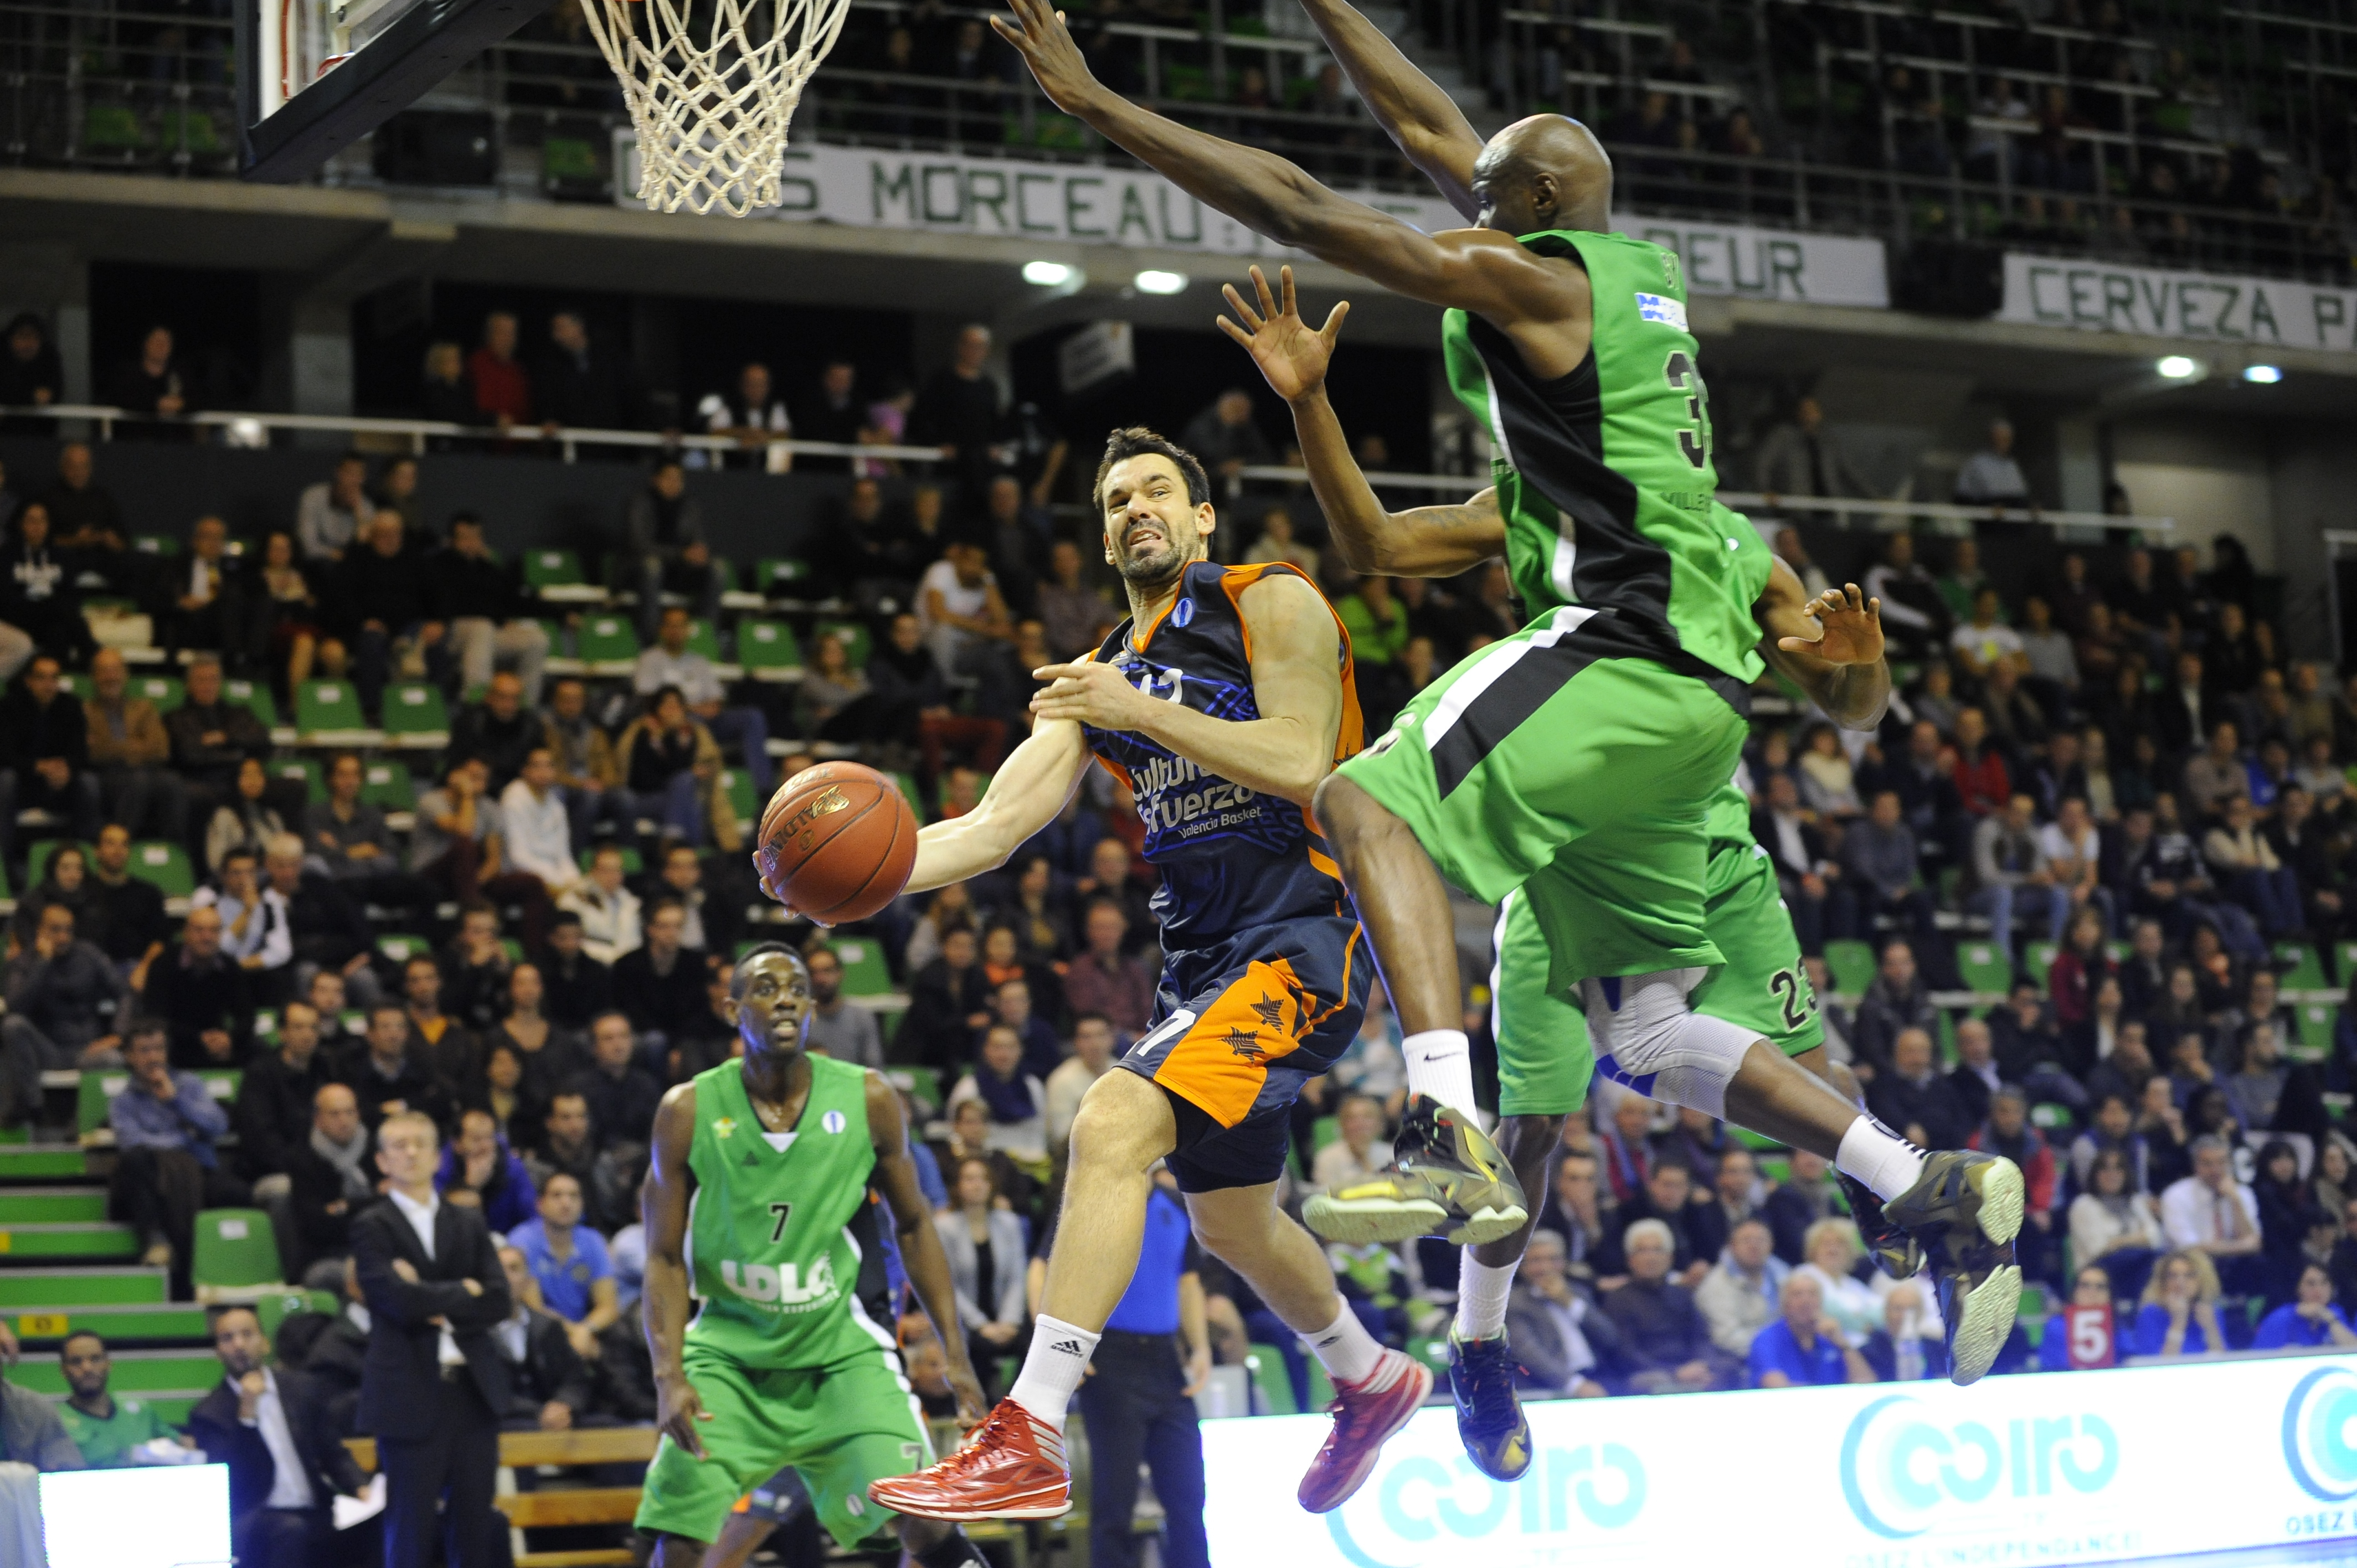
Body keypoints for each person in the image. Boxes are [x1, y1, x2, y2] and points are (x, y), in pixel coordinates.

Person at [850, 429, 1424, 1521]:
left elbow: (1303, 759)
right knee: (1233, 1223)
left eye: (1156, 491)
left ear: (1202, 518)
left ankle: (1027, 1433)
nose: (1133, 509)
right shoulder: (1096, 675)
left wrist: (1139, 710)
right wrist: (855, 879)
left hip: (1302, 938)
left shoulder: (1270, 597)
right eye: (1114, 500)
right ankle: (1369, 1373)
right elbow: (989, 825)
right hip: (1201, 965)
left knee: (1112, 1123)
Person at [632, 946, 996, 1568]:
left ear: (811, 1006)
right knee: (684, 1541)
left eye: (796, 989)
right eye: (765, 987)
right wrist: (669, 1376)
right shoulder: (686, 1111)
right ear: (732, 1008)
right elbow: (663, 1258)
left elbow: (913, 1225)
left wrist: (955, 1356)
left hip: (837, 1353)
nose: (783, 998)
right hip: (729, 1356)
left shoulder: (869, 1099)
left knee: (927, 1518)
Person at [353, 1108, 514, 1568]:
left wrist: (426, 1293)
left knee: (475, 1529)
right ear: (382, 1161)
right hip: (409, 1393)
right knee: (410, 1529)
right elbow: (394, 1301)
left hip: (472, 1392)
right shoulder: (372, 1224)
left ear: (438, 1155)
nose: (410, 1152)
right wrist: (463, 1290)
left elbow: (500, 1300)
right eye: (399, 1145)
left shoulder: (467, 1221)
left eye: (420, 1143)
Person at [1064, 1163, 1210, 1568]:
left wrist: (1200, 1348)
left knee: (1188, 1498)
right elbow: (1048, 1268)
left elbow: (1188, 1281)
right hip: (1112, 1358)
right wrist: (1066, 1344)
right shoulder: (1091, 1205)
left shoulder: (1177, 1206)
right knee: (1116, 1501)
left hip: (1166, 1361)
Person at [187, 1303, 368, 1568]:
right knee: (291, 1531)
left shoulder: (301, 1390)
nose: (239, 1345)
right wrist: (246, 1415)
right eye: (227, 1339)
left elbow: (333, 1451)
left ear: (265, 1343)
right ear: (217, 1353)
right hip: (257, 1515)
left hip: (315, 1508)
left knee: (377, 1523)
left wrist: (361, 1488)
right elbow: (234, 1484)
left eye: (247, 1334)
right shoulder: (208, 1414)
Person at [107, 1019, 249, 1291]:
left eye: (158, 1049)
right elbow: (131, 1142)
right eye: (145, 1051)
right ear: (130, 1057)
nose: (153, 1058)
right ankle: (158, 1243)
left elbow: (218, 1125)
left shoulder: (189, 1085)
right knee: (137, 1163)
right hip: (152, 1176)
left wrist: (176, 1101)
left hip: (198, 1171)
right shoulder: (123, 1102)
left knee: (237, 1193)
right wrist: (185, 1140)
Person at [636, 603, 771, 794]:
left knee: (752, 717)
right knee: (693, 721)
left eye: (681, 626)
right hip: (674, 723)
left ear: (688, 630)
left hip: (709, 719)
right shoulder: (650, 659)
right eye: (671, 625)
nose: (676, 631)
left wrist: (702, 708)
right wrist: (690, 710)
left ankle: (762, 789)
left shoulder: (699, 662)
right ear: (662, 629)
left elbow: (716, 701)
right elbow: (649, 700)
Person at [0, 653, 101, 875]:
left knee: (89, 783)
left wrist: (66, 768)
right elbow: (5, 754)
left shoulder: (71, 705)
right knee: (5, 781)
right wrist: (39, 767)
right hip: (24, 784)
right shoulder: (10, 706)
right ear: (28, 681)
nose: (49, 684)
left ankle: (84, 865)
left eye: (54, 678)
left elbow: (81, 753)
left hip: (60, 784)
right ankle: (5, 866)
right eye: (42, 678)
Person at [509, 1171, 618, 1360]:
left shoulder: (593, 1241)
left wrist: (585, 1330)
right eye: (557, 1195)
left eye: (573, 1196)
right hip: (539, 1336)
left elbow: (609, 1306)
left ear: (582, 1205)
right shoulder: (522, 1241)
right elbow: (534, 1309)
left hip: (586, 1331)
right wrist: (575, 1333)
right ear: (540, 1204)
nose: (566, 1203)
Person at [84, 645, 184, 843]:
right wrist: (137, 745)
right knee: (138, 781)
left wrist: (115, 746)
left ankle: (173, 850)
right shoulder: (85, 711)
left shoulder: (144, 707)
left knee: (172, 781)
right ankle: (119, 846)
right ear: (94, 677)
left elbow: (161, 749)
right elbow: (92, 751)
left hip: (147, 771)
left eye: (115, 670)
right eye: (104, 671)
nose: (110, 677)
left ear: (125, 674)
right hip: (106, 774)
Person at [936, 1157, 1028, 1370]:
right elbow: (947, 1285)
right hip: (963, 1322)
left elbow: (1017, 1277)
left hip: (1005, 1319)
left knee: (1031, 1343)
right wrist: (981, 1325)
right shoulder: (944, 1227)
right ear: (958, 1186)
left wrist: (1009, 1321)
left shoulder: (1009, 1223)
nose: (977, 1185)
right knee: (976, 1350)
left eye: (983, 1179)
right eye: (969, 1179)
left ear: (991, 1185)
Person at [1503, 1229, 1612, 1397]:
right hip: (1553, 1386)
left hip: (1599, 1375)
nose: (1546, 1268)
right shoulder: (1514, 1303)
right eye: (1536, 1260)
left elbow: (1610, 1338)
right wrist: (1574, 1385)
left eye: (1553, 1259)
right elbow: (1528, 1352)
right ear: (1522, 1267)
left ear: (1565, 1263)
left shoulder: (1578, 1293)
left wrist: (1568, 1302)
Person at [2159, 1133, 2265, 1298]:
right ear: (2196, 1166)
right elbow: (2190, 1248)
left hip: (2232, 1265)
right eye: (2208, 1164)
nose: (2216, 1170)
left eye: (2222, 1162)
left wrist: (2235, 1202)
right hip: (2191, 1266)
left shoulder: (2243, 1194)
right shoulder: (2176, 1195)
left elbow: (2254, 1243)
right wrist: (2241, 1247)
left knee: (2260, 1264)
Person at [285, 1084, 373, 1277]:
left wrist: (347, 1206)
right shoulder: (302, 1158)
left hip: (377, 1249)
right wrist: (369, 1208)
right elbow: (315, 1226)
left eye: (350, 1112)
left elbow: (391, 1204)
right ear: (318, 1120)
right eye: (335, 1114)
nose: (344, 1121)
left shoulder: (376, 1151)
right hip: (326, 1255)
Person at [54, 1332, 173, 1468]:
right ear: (63, 1371)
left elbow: (180, 1446)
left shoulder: (140, 1410)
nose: (87, 1368)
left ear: (109, 1364)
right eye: (76, 1362)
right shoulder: (56, 1423)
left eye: (95, 1359)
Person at [1747, 1270, 1872, 1387]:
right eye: (1797, 1294)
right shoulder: (1767, 1339)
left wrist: (1844, 1345)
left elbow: (1866, 1385)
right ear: (1785, 1304)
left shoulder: (1831, 1336)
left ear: (1821, 1303)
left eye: (1813, 1294)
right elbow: (1777, 1388)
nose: (1806, 1301)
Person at [1695, 1215, 1788, 1359]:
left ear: (1771, 1245)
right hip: (1740, 1362)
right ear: (1732, 1246)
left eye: (1761, 1240)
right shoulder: (1716, 1285)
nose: (1754, 1246)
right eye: (1746, 1240)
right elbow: (1727, 1338)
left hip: (1784, 1355)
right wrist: (1777, 1350)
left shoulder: (1784, 1275)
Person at [436, 1106, 538, 1235]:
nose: (485, 1146)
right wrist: (470, 1187)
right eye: (476, 1139)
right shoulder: (440, 1167)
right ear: (457, 1144)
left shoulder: (512, 1168)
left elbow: (533, 1218)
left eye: (489, 1138)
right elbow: (439, 1220)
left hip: (506, 1240)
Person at [2130, 1247, 2228, 1356]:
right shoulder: (2150, 1314)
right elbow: (2157, 1367)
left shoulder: (2212, 1312)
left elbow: (2223, 1363)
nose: (2180, 1282)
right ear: (2163, 1282)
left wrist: (2211, 1329)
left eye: (2189, 1276)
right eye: (2173, 1276)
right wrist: (2178, 1322)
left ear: (2202, 1280)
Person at [802, 945, 882, 1070]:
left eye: (827, 971)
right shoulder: (799, 1018)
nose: (820, 979)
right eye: (813, 972)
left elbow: (874, 1068)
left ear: (840, 973)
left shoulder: (861, 1017)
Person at [2253, 1261, 2357, 1350]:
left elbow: (2353, 1352)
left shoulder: (2335, 1312)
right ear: (2298, 1289)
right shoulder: (2281, 1317)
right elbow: (2258, 1360)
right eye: (2311, 1284)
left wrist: (2330, 1320)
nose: (2319, 1290)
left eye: (2324, 1282)